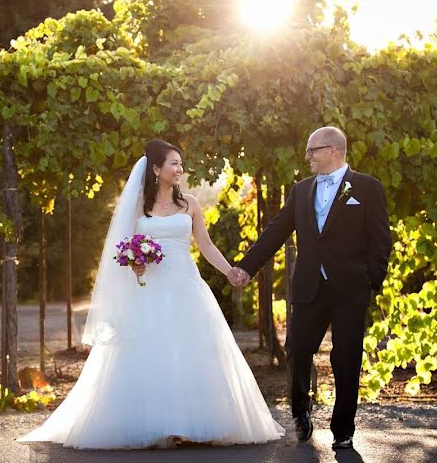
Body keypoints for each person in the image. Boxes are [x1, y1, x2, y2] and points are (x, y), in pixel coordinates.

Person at [18, 139, 284, 449]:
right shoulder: (139, 209)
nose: (179, 169)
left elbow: (206, 246)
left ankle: (193, 422)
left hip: (185, 285)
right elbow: (126, 247)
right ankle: (158, 424)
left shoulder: (191, 205)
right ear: (156, 169)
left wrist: (231, 271)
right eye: (173, 163)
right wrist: (135, 265)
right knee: (153, 351)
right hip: (150, 289)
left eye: (181, 163)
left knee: (192, 349)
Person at [229, 126, 391, 450]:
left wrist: (372, 280)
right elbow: (276, 230)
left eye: (312, 150)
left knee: (346, 358)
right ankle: (301, 411)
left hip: (350, 289)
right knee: (298, 349)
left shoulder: (367, 188)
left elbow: (380, 238)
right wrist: (246, 266)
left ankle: (343, 428)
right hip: (308, 286)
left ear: (334, 150)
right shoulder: (302, 190)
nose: (307, 157)